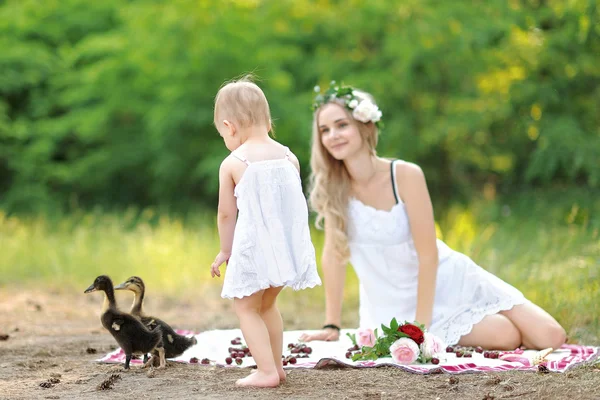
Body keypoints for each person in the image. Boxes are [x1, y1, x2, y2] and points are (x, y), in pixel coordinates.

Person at [299, 82, 566, 351]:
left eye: (341, 125)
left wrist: (421, 329)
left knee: (551, 337)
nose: (333, 135)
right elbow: (333, 255)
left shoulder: (405, 176)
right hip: (391, 306)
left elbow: (428, 255)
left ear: (365, 125)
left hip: (447, 281)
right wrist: (331, 324)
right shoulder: (334, 189)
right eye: (325, 130)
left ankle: (473, 314)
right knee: (505, 336)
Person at [210, 76, 321, 387]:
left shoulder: (234, 162)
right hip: (285, 249)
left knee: (246, 307)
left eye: (223, 134)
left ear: (229, 127)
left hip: (253, 247)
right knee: (268, 305)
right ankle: (277, 367)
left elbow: (225, 213)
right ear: (268, 120)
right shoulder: (289, 157)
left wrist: (225, 250)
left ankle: (267, 371)